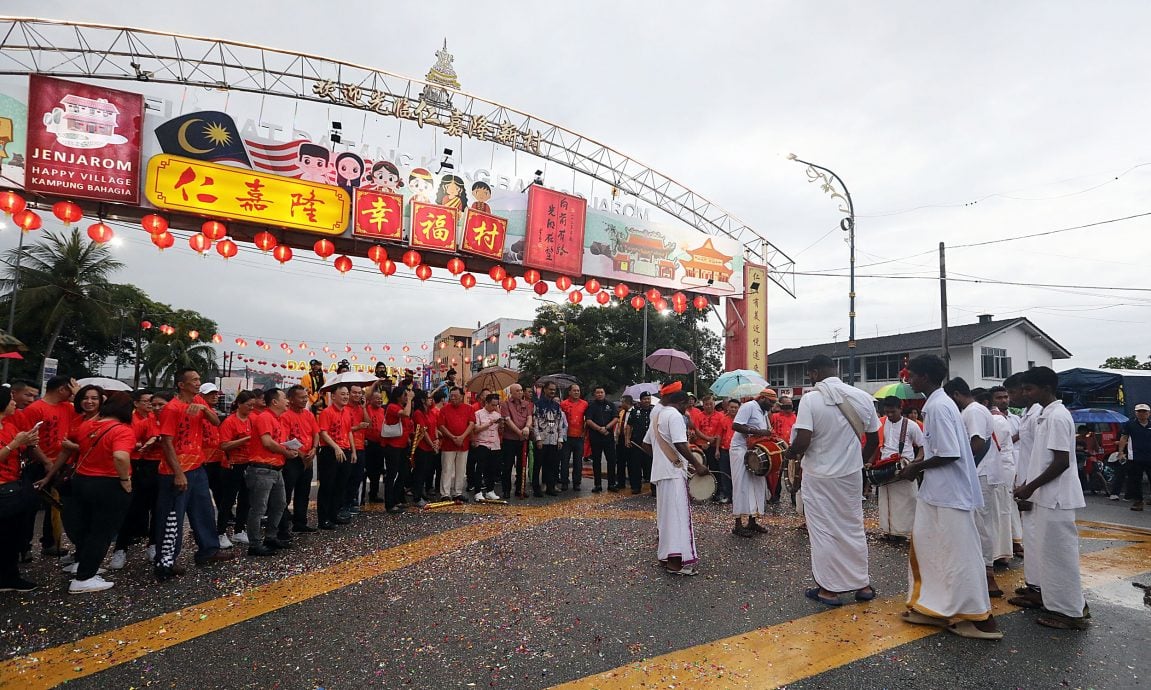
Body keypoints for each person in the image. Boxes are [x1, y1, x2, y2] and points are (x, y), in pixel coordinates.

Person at [898, 355, 1001, 640]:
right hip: (936, 493)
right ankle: (934, 607)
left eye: (913, 374)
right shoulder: (936, 404)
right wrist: (919, 462)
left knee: (960, 555)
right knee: (931, 551)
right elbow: (936, 449)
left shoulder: (940, 407)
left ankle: (979, 617)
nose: (908, 379)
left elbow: (949, 453)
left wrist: (915, 467)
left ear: (927, 378)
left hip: (950, 495)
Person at [787, 355, 880, 606]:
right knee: (852, 527)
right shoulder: (862, 397)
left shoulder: (811, 399)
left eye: (809, 375)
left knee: (823, 531)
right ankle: (862, 585)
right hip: (850, 475)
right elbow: (873, 441)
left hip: (819, 476)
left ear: (815, 373)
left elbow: (803, 439)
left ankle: (829, 589)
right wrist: (855, 462)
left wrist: (790, 452)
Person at [1010, 366, 1089, 630]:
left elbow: (1061, 462)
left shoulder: (1057, 416)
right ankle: (1055, 601)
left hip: (1057, 497)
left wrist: (1030, 487)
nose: (1024, 393)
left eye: (1029, 389)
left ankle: (1072, 612)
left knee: (1061, 555)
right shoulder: (1045, 414)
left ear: (1046, 388)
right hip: (1046, 495)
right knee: (1048, 553)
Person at [44, 392, 135, 593]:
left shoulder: (88, 425)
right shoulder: (123, 430)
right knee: (101, 532)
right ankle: (84, 577)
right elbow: (120, 456)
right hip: (109, 484)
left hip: (82, 481)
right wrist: (125, 479)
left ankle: (83, 566)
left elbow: (69, 444)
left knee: (87, 528)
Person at [154, 368, 233, 581]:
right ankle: (165, 562)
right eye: (194, 380)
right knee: (172, 518)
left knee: (204, 511)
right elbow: (167, 443)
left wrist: (204, 410)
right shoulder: (172, 408)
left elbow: (217, 423)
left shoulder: (199, 402)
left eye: (199, 379)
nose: (198, 383)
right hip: (175, 471)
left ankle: (208, 550)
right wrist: (178, 473)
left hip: (197, 467)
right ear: (181, 384)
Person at [944, 378, 1006, 599]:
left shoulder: (973, 411)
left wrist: (961, 466)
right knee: (975, 522)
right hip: (978, 472)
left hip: (981, 472)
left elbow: (977, 442)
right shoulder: (973, 410)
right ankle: (978, 571)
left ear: (956, 395)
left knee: (981, 523)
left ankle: (988, 574)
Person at [642, 383, 709, 576]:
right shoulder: (675, 416)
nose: (687, 408)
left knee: (665, 518)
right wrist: (697, 465)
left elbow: (646, 445)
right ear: (679, 402)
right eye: (686, 405)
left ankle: (666, 557)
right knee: (678, 517)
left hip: (662, 473)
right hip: (673, 473)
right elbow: (680, 443)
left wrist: (661, 459)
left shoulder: (657, 416)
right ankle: (675, 563)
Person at [14, 374, 77, 558]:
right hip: (39, 463)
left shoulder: (68, 407)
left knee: (56, 506)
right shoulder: (35, 409)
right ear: (62, 389)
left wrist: (78, 393)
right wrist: (47, 462)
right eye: (70, 388)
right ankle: (24, 547)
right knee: (31, 507)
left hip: (62, 463)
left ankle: (50, 543)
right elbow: (30, 441)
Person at [109, 390, 161, 568]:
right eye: (149, 402)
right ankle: (120, 549)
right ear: (136, 403)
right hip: (139, 466)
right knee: (132, 509)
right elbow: (128, 443)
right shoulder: (136, 421)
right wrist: (146, 443)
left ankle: (153, 545)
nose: (152, 406)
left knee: (157, 509)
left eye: (157, 404)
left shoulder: (163, 421)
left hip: (160, 467)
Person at [0, 387, 42, 592]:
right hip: (3, 490)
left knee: (12, 535)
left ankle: (8, 575)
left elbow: (18, 451)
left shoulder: (8, 424)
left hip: (13, 485)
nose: (14, 404)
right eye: (10, 400)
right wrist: (14, 444)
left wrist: (27, 443)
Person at [245, 388, 295, 557]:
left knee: (280, 504)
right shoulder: (265, 417)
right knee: (259, 508)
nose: (287, 401)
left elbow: (279, 442)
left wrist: (290, 449)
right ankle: (254, 544)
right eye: (284, 398)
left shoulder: (278, 419)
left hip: (276, 469)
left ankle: (270, 537)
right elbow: (267, 442)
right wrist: (286, 451)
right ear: (274, 402)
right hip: (262, 469)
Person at [1006, 372, 1042, 597]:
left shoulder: (1040, 414)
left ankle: (1041, 588)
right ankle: (1034, 584)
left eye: (1012, 393)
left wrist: (1030, 485)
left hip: (1037, 485)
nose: (1010, 398)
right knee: (1032, 536)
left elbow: (1044, 454)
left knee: (1040, 538)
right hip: (1026, 480)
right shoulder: (1027, 414)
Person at [872, 397, 925, 542]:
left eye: (892, 412)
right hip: (885, 467)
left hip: (904, 467)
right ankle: (888, 531)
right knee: (886, 500)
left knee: (907, 501)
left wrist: (915, 464)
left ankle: (905, 533)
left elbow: (922, 447)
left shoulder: (911, 426)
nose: (889, 415)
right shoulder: (881, 423)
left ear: (900, 409)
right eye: (886, 412)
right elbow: (875, 444)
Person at [729, 389, 776, 537]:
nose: (772, 405)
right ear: (762, 398)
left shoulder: (763, 412)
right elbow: (736, 425)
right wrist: (757, 431)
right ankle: (737, 524)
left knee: (757, 484)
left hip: (754, 450)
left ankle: (752, 521)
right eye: (771, 402)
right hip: (740, 449)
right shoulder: (748, 406)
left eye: (774, 403)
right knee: (741, 485)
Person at [217, 391, 255, 546]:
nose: (251, 408)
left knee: (246, 499)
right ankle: (220, 533)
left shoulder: (253, 419)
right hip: (232, 464)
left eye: (253, 405)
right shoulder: (230, 421)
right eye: (248, 405)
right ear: (239, 404)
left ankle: (240, 530)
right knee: (228, 500)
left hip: (248, 463)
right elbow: (224, 444)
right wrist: (246, 439)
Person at [280, 385, 319, 533]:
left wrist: (314, 449)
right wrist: (302, 454)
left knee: (304, 492)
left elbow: (316, 432)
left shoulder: (308, 414)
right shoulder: (285, 416)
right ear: (291, 399)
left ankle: (300, 522)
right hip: (293, 459)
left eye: (305, 397)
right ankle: (282, 526)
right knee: (286, 493)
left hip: (308, 458)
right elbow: (285, 440)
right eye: (301, 397)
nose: (305, 400)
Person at [317, 383, 355, 529]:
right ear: (333, 396)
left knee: (341, 485)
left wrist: (352, 451)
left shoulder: (347, 412)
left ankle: (334, 514)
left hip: (344, 451)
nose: (346, 397)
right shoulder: (327, 412)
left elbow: (349, 431)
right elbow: (323, 432)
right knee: (327, 485)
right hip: (330, 451)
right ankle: (323, 519)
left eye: (347, 394)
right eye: (343, 394)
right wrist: (336, 447)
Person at [438, 387, 475, 502]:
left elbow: (471, 424)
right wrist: (453, 437)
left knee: (461, 469)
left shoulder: (468, 408)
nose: (453, 398)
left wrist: (462, 437)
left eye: (455, 396)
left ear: (462, 396)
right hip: (448, 444)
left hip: (463, 443)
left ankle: (457, 492)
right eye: (451, 396)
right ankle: (445, 493)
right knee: (447, 469)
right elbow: (441, 426)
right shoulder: (444, 409)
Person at [381, 386, 413, 512]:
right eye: (405, 395)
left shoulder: (401, 407)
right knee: (391, 474)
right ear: (398, 396)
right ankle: (389, 503)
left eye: (407, 395)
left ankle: (396, 497)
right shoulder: (392, 407)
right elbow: (406, 414)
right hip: (392, 446)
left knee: (404, 471)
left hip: (403, 445)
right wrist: (410, 400)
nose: (406, 397)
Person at [532, 382, 567, 497]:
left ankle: (550, 487)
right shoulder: (537, 404)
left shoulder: (557, 406)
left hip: (554, 439)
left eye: (554, 390)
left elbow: (560, 423)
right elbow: (535, 423)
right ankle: (536, 488)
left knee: (552, 465)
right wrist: (538, 438)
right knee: (538, 465)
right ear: (545, 390)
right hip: (542, 438)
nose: (552, 392)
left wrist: (560, 439)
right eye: (550, 389)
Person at [690, 395, 727, 502]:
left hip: (715, 447)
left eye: (711, 404)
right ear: (703, 405)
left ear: (714, 404)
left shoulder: (720, 416)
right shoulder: (698, 416)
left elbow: (719, 433)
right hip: (701, 447)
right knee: (700, 470)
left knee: (716, 470)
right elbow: (697, 430)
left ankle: (718, 492)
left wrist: (710, 442)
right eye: (706, 404)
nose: (709, 406)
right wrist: (706, 440)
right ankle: (701, 493)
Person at [499, 384, 533, 499]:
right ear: (512, 393)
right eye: (517, 391)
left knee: (522, 465)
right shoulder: (505, 404)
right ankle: (506, 490)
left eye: (521, 390)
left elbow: (529, 417)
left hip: (523, 439)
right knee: (507, 466)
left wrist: (527, 427)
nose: (520, 392)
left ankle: (520, 488)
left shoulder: (527, 404)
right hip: (510, 439)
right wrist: (519, 432)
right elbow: (508, 421)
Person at [584, 386, 618, 493]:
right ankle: (597, 484)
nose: (600, 394)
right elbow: (588, 420)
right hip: (595, 437)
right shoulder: (591, 406)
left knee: (611, 461)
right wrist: (599, 429)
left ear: (604, 393)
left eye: (601, 392)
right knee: (596, 461)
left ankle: (611, 484)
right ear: (594, 394)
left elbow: (616, 418)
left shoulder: (610, 405)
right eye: (597, 392)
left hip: (608, 436)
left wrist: (607, 427)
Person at [1118, 403, 1151, 511]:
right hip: (1135, 457)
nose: (1142, 414)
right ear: (1136, 413)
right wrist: (1121, 452)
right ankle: (1138, 501)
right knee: (1136, 480)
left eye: (1144, 411)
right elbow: (1124, 438)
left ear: (1149, 413)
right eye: (1139, 411)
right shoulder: (1130, 424)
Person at [410, 389, 440, 507]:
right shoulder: (418, 413)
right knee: (419, 472)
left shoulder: (430, 411)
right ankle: (417, 497)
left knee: (427, 472)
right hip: (422, 446)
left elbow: (435, 425)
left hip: (431, 447)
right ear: (422, 400)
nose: (431, 399)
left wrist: (436, 440)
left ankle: (422, 493)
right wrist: (432, 444)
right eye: (428, 398)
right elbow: (423, 430)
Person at [472, 393, 504, 501]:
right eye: (492, 405)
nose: (494, 407)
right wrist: (490, 423)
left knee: (492, 468)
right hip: (482, 443)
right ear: (486, 403)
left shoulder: (497, 414)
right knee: (480, 468)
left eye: (496, 405)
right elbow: (476, 429)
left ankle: (490, 490)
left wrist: (501, 424)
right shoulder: (478, 413)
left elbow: (500, 430)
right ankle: (477, 491)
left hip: (495, 444)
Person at [344, 385, 370, 515]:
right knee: (347, 477)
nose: (357, 395)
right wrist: (358, 427)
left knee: (358, 476)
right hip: (348, 446)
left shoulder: (360, 408)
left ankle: (351, 501)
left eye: (359, 393)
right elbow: (345, 429)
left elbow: (368, 422)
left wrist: (364, 407)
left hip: (360, 447)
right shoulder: (344, 409)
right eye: (354, 393)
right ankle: (345, 504)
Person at [769, 396, 798, 503]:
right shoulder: (775, 416)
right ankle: (775, 496)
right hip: (778, 448)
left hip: (792, 450)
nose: (788, 407)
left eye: (790, 405)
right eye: (786, 405)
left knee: (793, 473)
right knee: (776, 474)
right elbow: (769, 428)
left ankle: (794, 497)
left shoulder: (795, 417)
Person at [559, 385, 588, 491]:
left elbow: (587, 419)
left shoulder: (584, 404)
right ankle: (564, 482)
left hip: (579, 437)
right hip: (566, 437)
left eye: (578, 390)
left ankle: (577, 482)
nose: (576, 392)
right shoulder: (563, 404)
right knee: (565, 461)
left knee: (578, 462)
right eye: (574, 390)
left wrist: (585, 433)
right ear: (569, 392)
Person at [624, 392, 653, 495]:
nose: (647, 401)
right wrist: (627, 439)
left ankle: (654, 488)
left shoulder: (654, 411)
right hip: (637, 444)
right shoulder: (635, 412)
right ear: (640, 400)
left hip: (650, 445)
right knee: (635, 466)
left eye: (648, 399)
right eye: (645, 399)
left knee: (651, 466)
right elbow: (629, 426)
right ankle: (636, 487)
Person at [363, 389, 387, 503]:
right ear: (370, 400)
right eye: (377, 398)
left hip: (380, 444)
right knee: (366, 470)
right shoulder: (366, 408)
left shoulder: (383, 410)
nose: (380, 400)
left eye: (380, 398)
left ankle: (374, 494)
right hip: (368, 443)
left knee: (377, 471)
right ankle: (360, 496)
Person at [614, 395, 634, 492]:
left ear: (627, 402)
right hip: (620, 438)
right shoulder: (621, 412)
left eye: (622, 402)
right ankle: (620, 482)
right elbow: (618, 424)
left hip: (630, 439)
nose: (621, 404)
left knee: (631, 462)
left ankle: (633, 482)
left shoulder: (634, 412)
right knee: (620, 462)